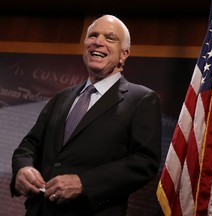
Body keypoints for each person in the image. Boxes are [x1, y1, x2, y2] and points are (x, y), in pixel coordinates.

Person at [10, 14, 162, 216]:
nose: (98, 42)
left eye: (110, 38)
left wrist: (84, 183)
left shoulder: (142, 99)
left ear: (124, 54)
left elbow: (144, 162)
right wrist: (22, 169)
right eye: (93, 35)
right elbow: (29, 144)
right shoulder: (62, 96)